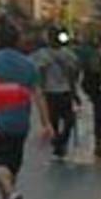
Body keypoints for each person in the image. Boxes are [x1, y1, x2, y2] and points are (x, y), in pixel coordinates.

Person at [0, 20, 51, 199]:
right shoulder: (28, 64)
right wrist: (46, 123)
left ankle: (10, 195)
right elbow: (38, 93)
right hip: (20, 121)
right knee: (13, 163)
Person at [32, 29, 81, 160]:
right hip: (61, 91)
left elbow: (40, 72)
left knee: (59, 120)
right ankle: (60, 143)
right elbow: (74, 73)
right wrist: (74, 91)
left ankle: (59, 141)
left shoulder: (42, 55)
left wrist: (40, 87)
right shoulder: (68, 54)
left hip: (53, 91)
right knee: (66, 119)